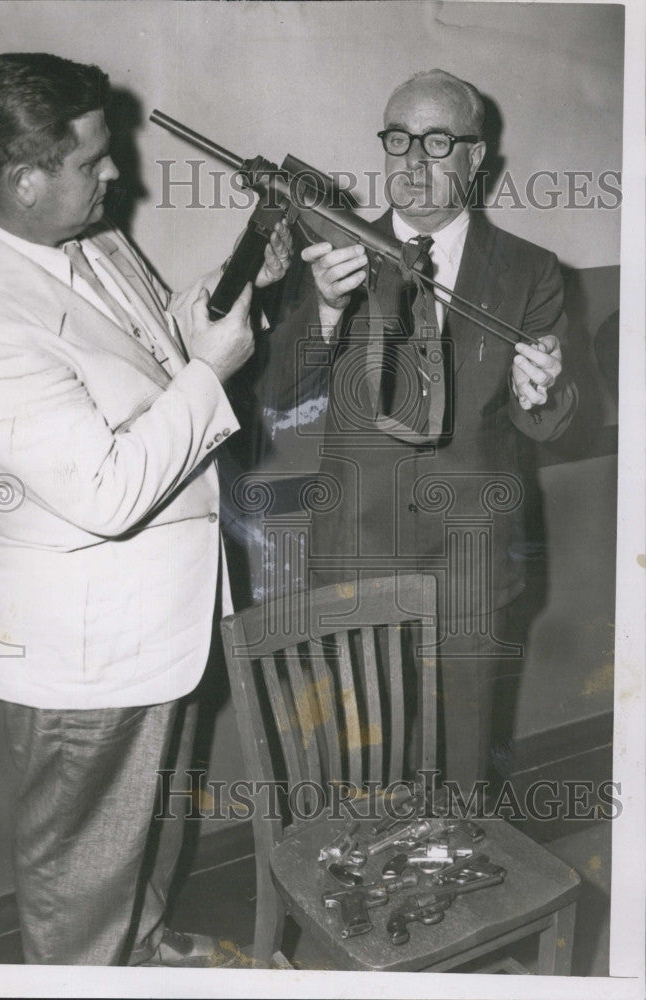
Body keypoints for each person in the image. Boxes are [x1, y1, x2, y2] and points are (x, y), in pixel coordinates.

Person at [0, 52, 291, 967]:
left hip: (152, 621)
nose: (115, 174)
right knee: (81, 875)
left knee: (148, 830)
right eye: (93, 161)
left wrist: (244, 278)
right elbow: (108, 491)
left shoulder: (82, 236)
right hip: (83, 651)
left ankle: (144, 951)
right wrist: (215, 373)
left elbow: (153, 344)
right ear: (24, 177)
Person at [261, 69, 578, 791]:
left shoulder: (529, 270)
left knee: (464, 770)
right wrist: (324, 312)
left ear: (476, 161)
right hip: (354, 552)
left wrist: (545, 385)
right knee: (360, 765)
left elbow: (554, 421)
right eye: (397, 139)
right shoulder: (330, 252)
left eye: (436, 142)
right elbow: (278, 391)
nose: (412, 161)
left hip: (472, 562)